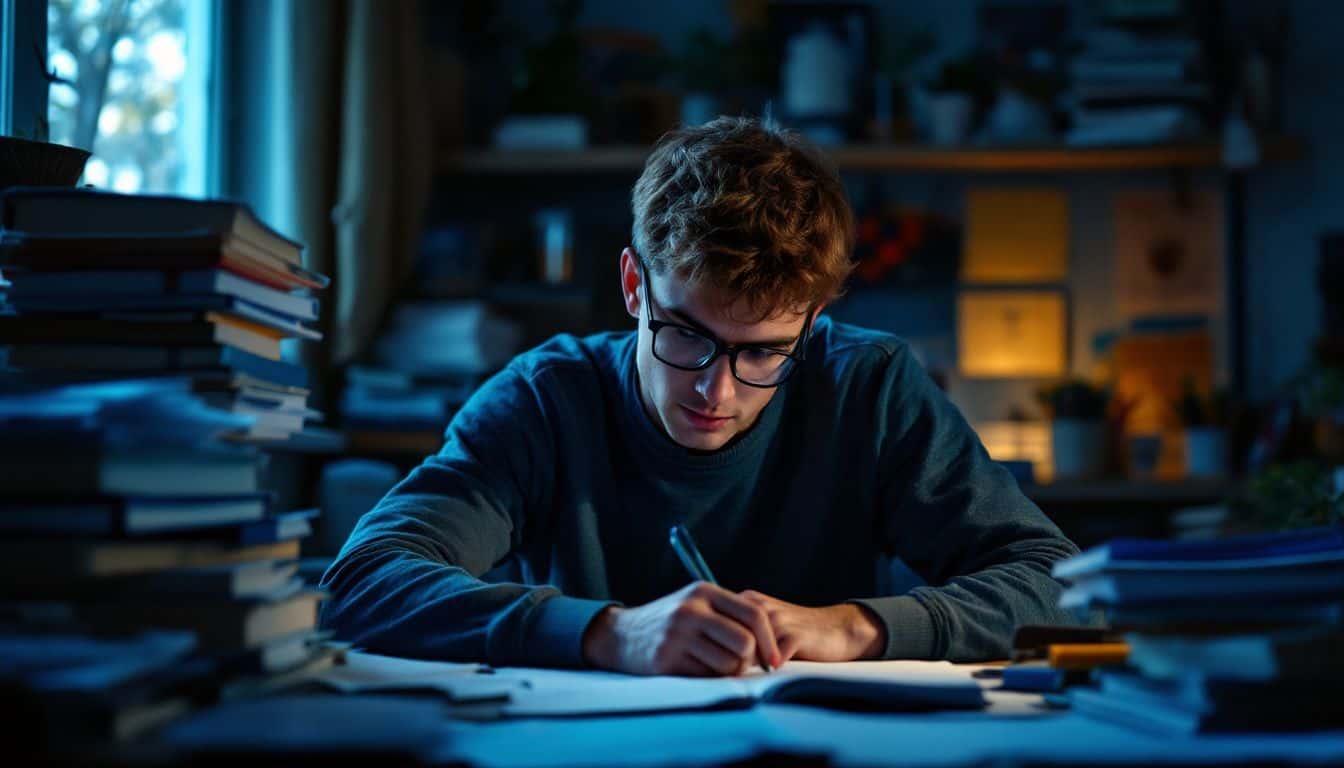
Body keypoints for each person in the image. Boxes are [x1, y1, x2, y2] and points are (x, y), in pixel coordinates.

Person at [320, 116, 1080, 676]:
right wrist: (608, 634)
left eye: (764, 352)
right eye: (685, 335)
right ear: (633, 287)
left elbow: (1060, 586)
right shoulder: (547, 400)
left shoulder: (868, 386)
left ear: (813, 323)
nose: (716, 389)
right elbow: (363, 581)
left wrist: (854, 629)